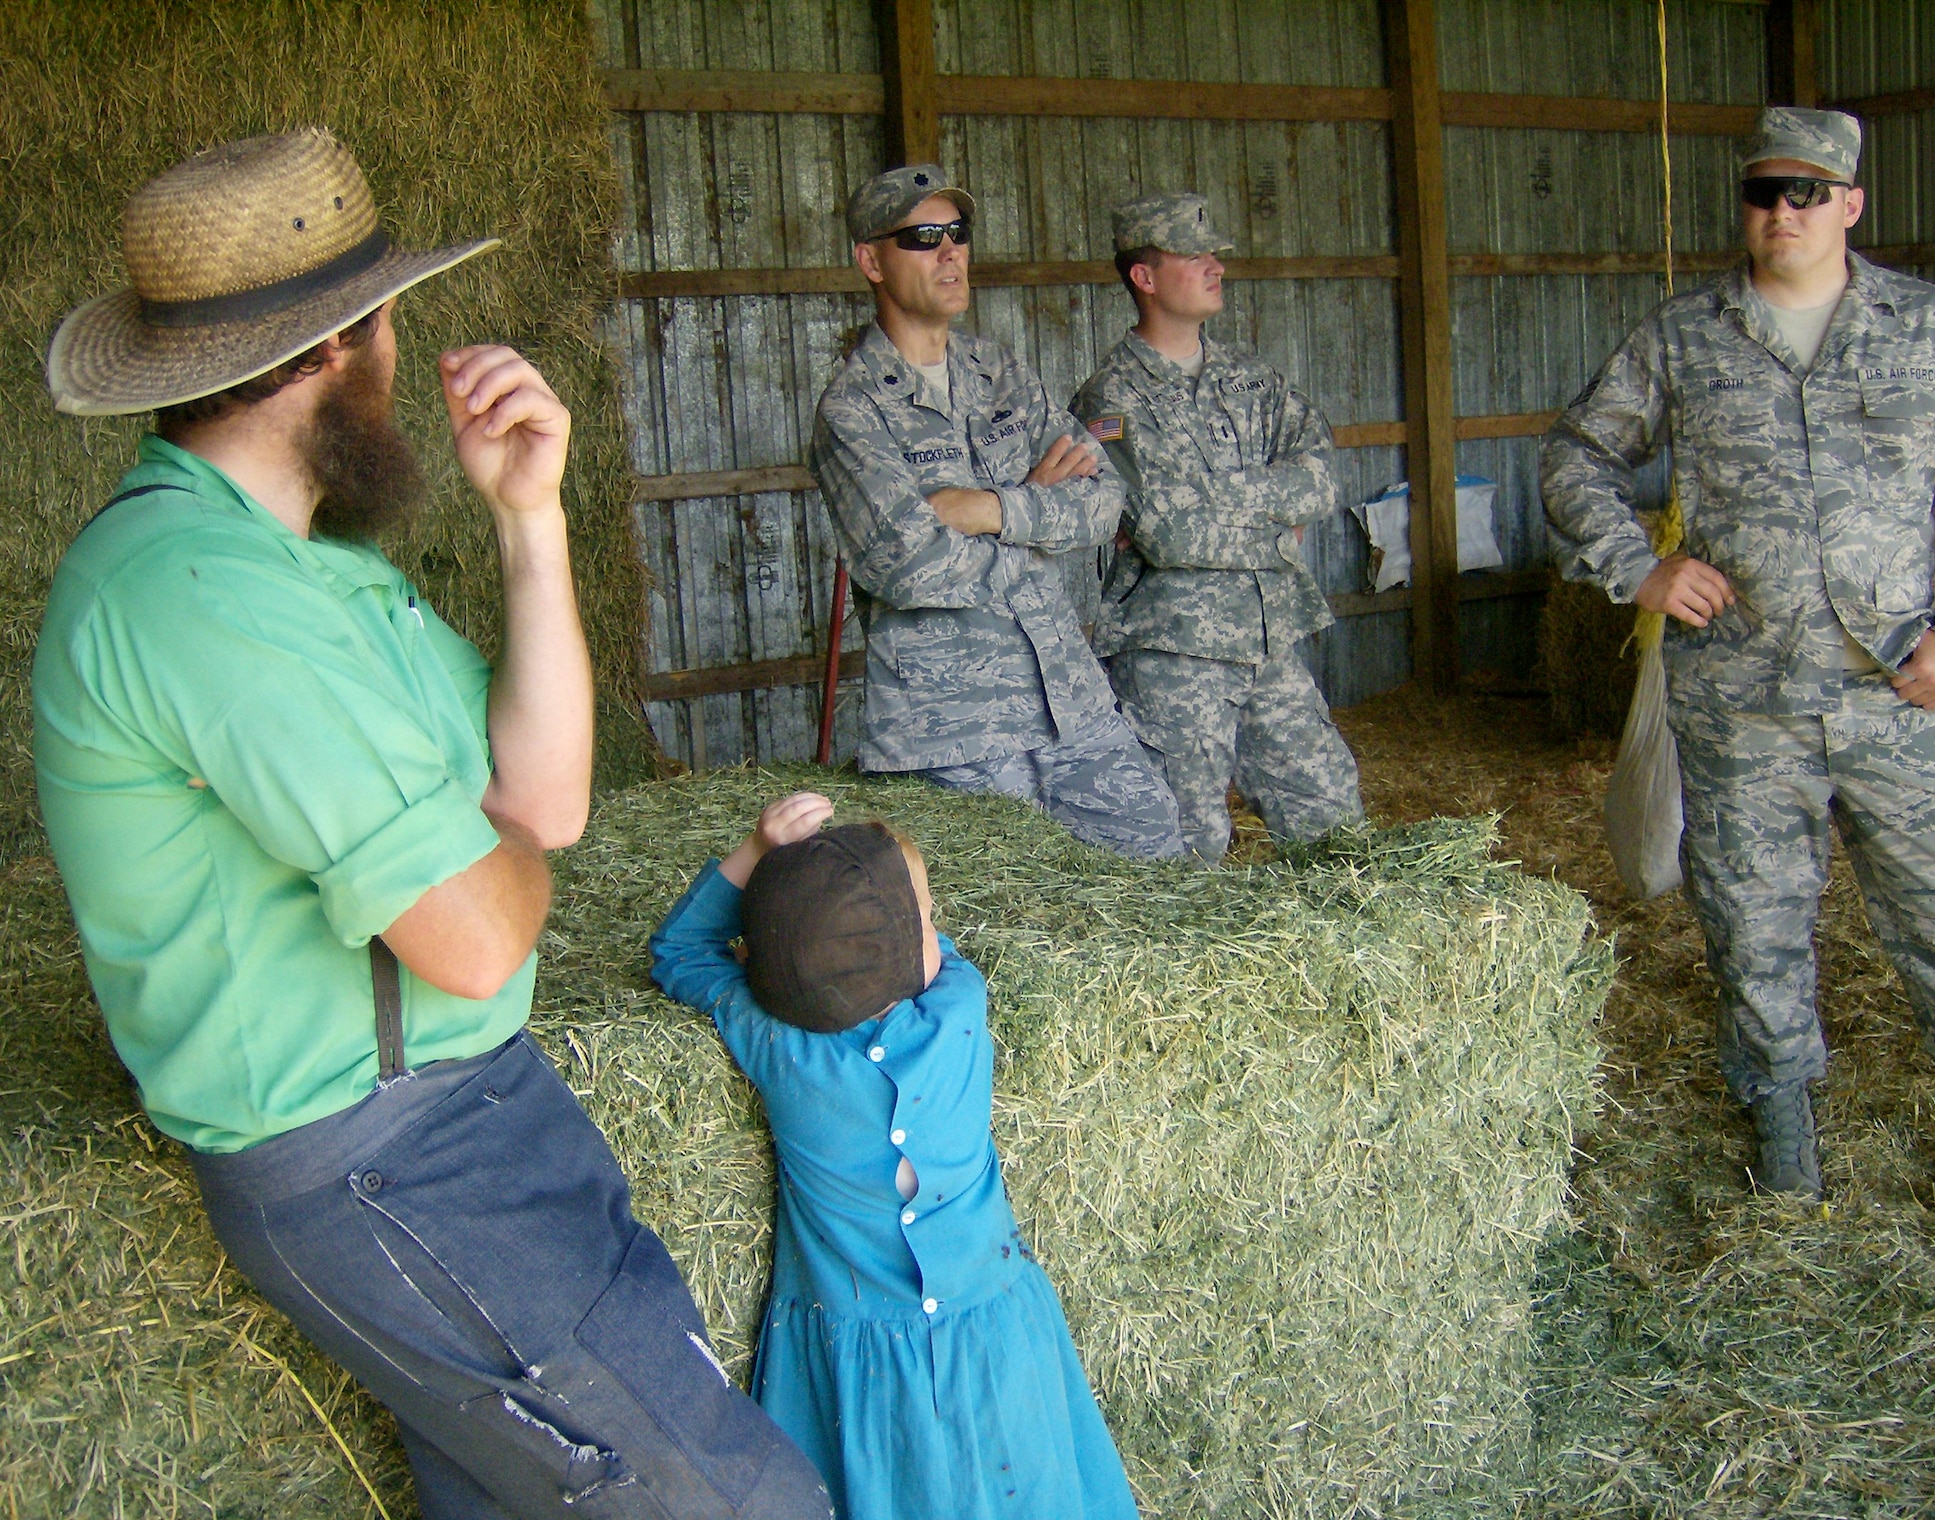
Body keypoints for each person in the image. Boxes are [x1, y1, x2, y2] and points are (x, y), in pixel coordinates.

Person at [36, 131, 830, 1517]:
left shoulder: (312, 573)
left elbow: (550, 799)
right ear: (352, 340)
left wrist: (531, 521)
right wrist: (492, 855)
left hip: (465, 1115)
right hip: (388, 1155)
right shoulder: (201, 597)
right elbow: (472, 934)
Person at [1542, 107, 1935, 1197]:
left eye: (1807, 191)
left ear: (1848, 203)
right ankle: (1783, 1133)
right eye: (1763, 191)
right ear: (1743, 205)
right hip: (1740, 701)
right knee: (1753, 935)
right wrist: (1634, 565)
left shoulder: (1927, 329)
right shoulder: (1682, 336)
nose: (1781, 210)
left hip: (1895, 690)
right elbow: (1574, 456)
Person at [648, 791, 1140, 1520]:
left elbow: (679, 950)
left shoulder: (778, 1045)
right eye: (928, 918)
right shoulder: (959, 1008)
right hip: (993, 1334)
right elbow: (931, 957)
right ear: (914, 953)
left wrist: (756, 856)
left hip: (858, 1365)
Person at [808, 164, 1184, 860]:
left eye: (958, 233)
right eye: (923, 237)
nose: (951, 252)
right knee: (1012, 930)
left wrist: (983, 509)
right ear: (871, 261)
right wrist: (1041, 515)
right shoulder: (853, 411)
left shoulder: (1000, 373)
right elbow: (912, 569)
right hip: (953, 734)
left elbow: (1104, 503)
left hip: (1071, 702)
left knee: (1158, 861)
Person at [1070, 193, 1363, 863]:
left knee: (1333, 822)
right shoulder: (1110, 398)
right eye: (1194, 254)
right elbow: (1167, 535)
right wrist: (1270, 521)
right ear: (1144, 277)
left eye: (1215, 255)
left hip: (1266, 640)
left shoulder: (1251, 380)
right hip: (1174, 657)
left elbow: (1319, 478)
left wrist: (1216, 496)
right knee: (1186, 848)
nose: (1215, 266)